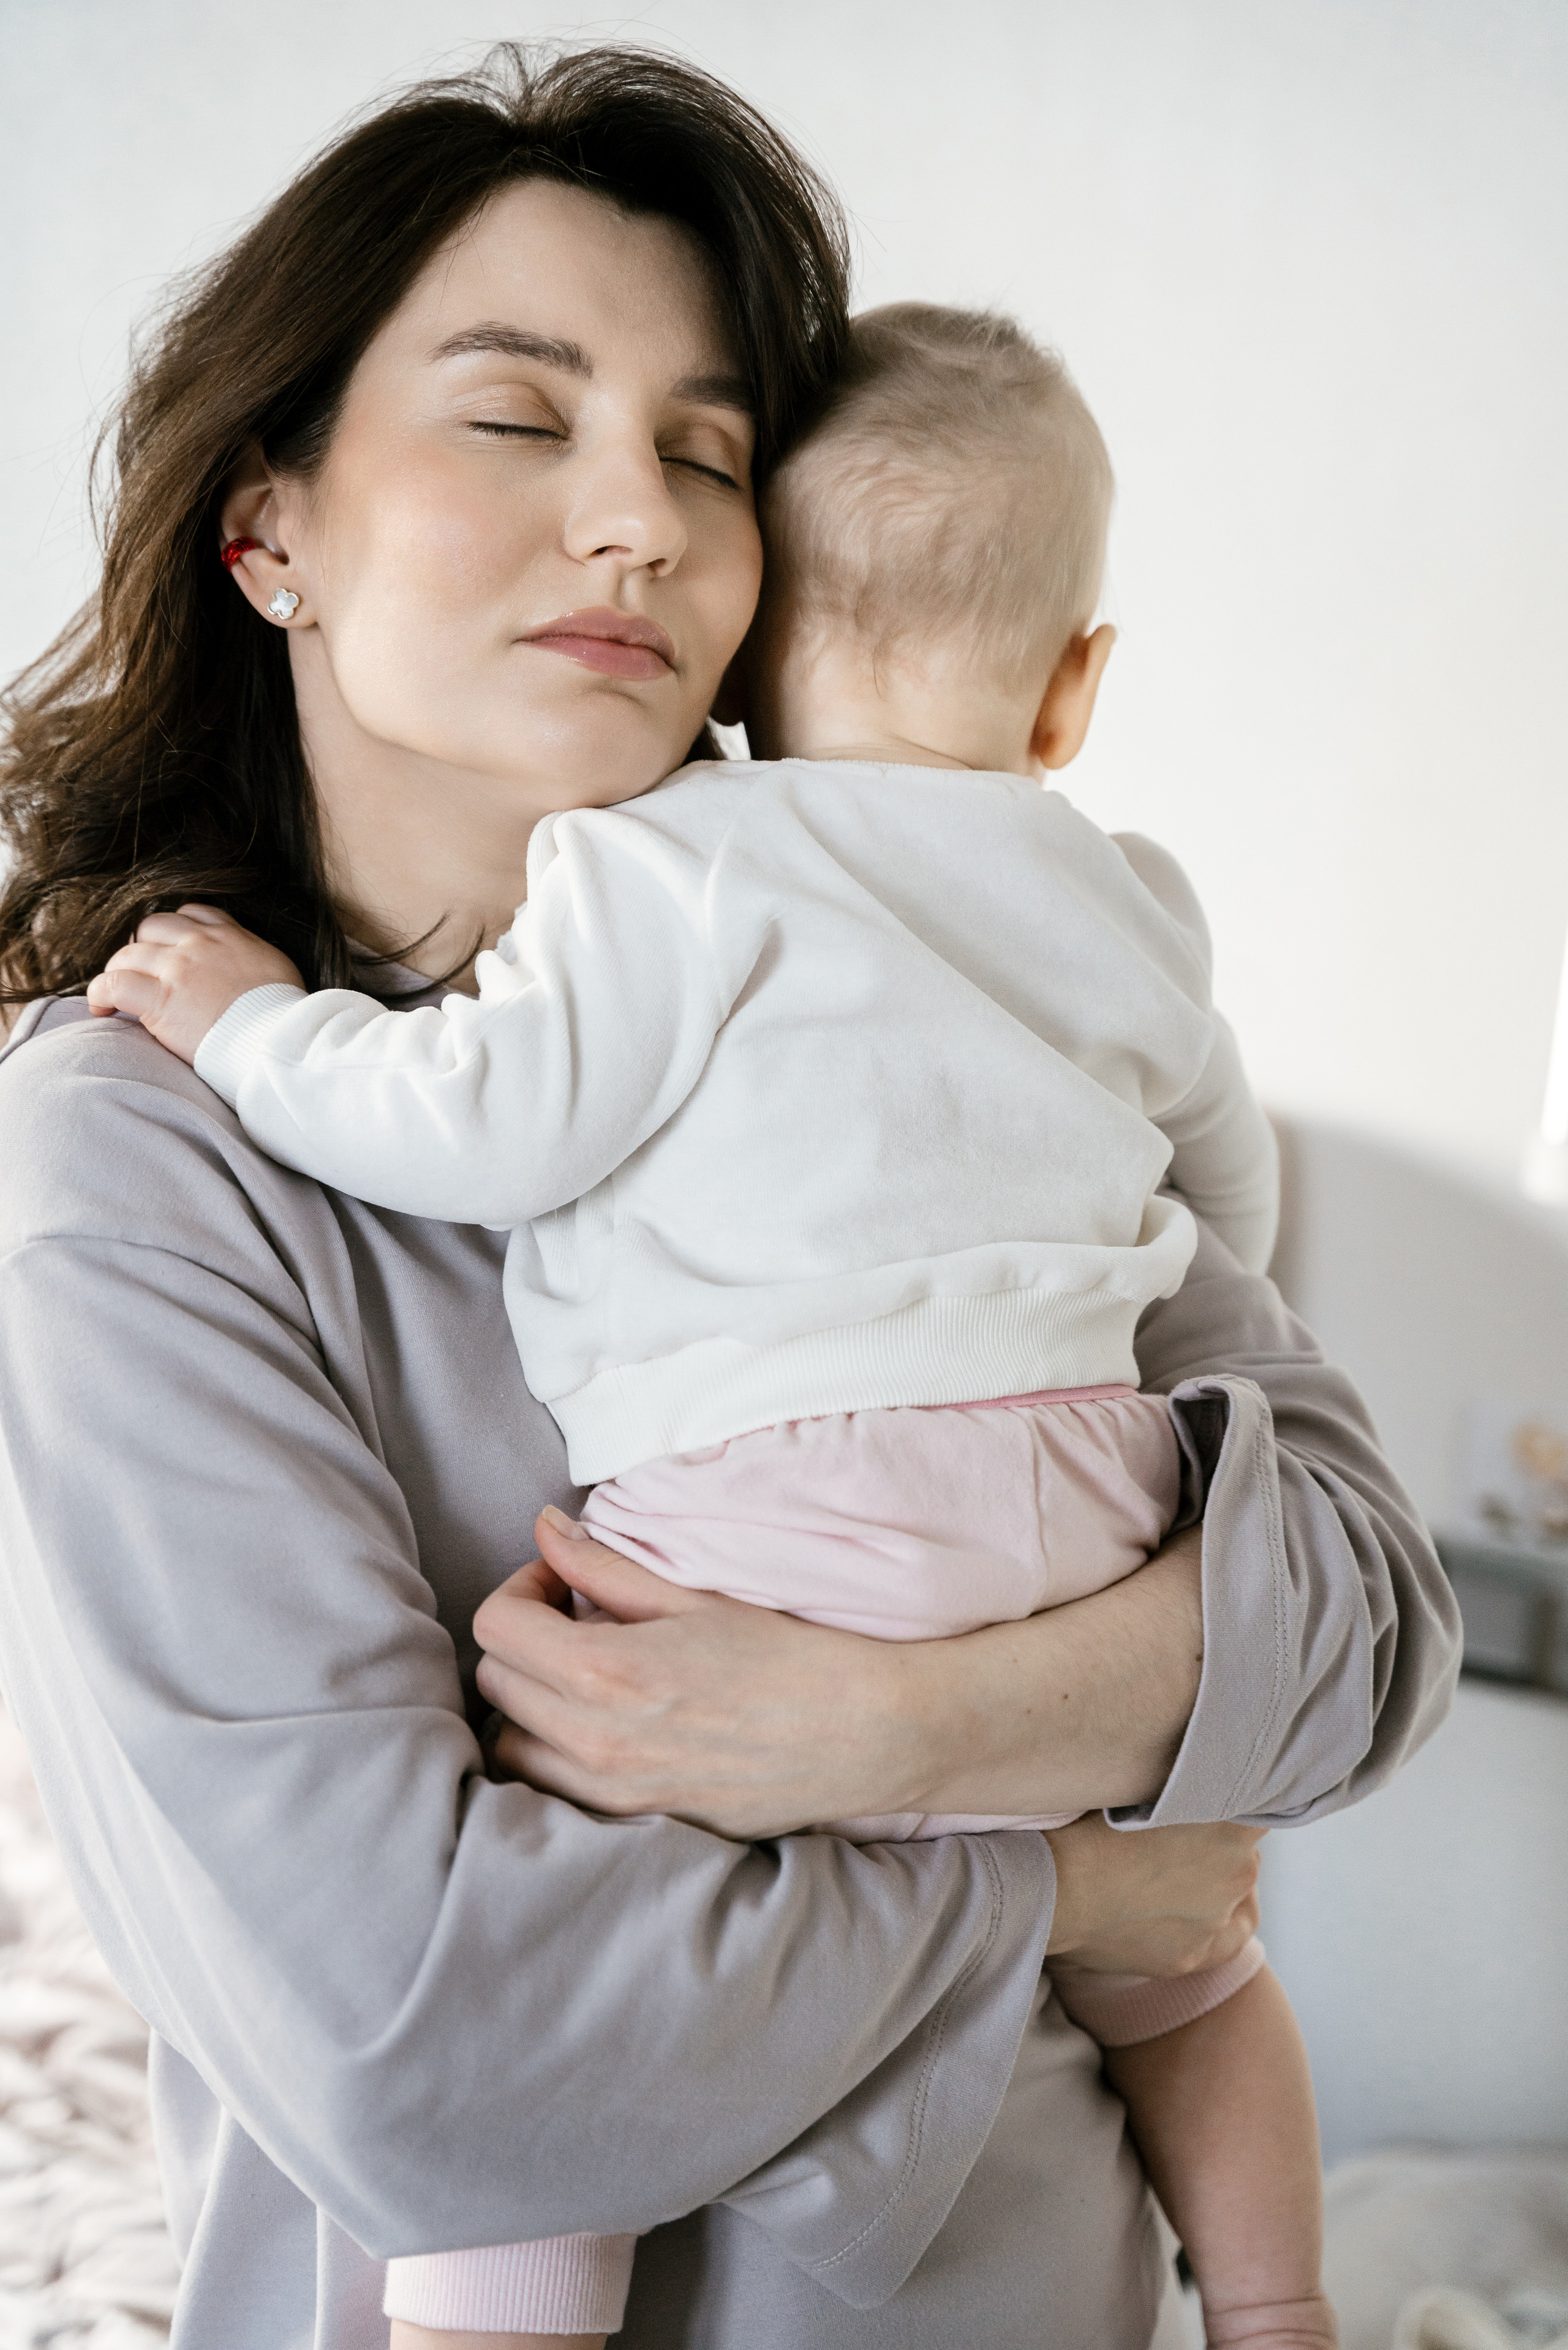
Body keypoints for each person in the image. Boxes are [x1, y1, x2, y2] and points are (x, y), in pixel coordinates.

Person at [0, 43, 1459, 2350]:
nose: (644, 525)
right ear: (270, 529)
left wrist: (879, 1741)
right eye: (518, 418)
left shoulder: (945, 993)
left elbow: (1375, 1631)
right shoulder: (141, 1146)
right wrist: (1084, 1867)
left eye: (707, 454)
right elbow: (429, 2060)